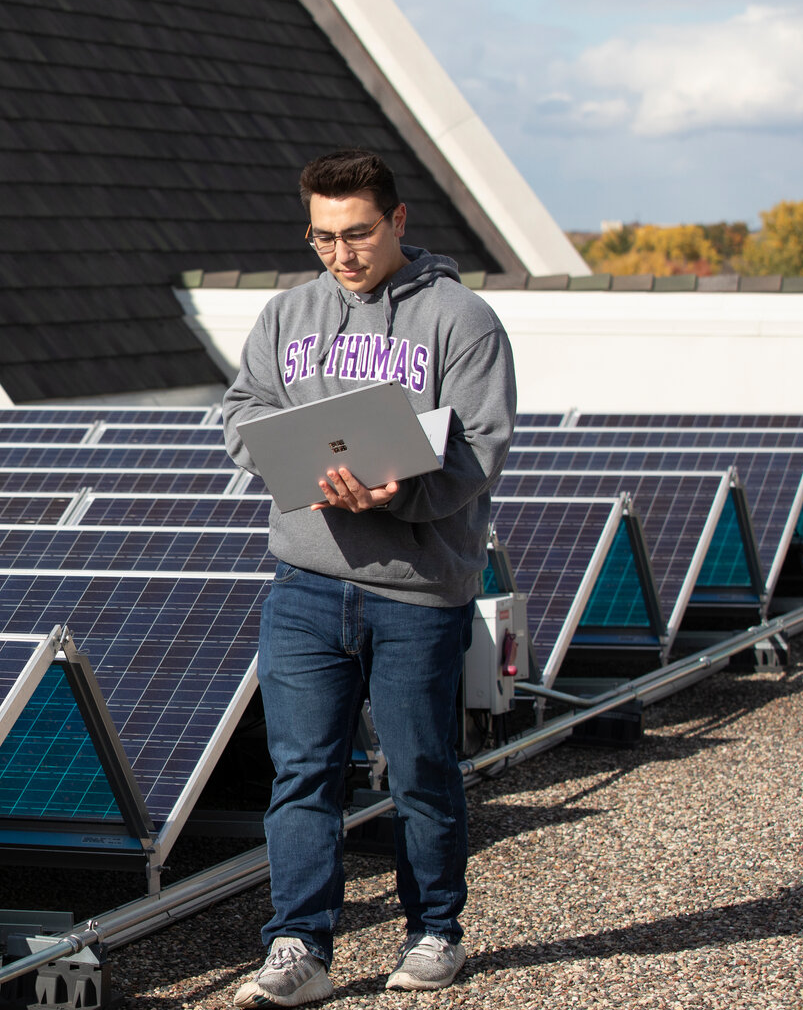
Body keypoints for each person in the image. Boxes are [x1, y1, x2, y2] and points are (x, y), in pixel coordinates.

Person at [220, 149, 516, 1006]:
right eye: (323, 237)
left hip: (420, 589)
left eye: (357, 234)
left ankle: (435, 931)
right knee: (302, 771)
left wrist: (404, 488)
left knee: (421, 767)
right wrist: (300, 469)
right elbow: (242, 413)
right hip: (307, 583)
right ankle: (299, 947)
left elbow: (482, 452)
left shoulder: (464, 322)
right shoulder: (287, 314)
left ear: (398, 221)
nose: (341, 255)